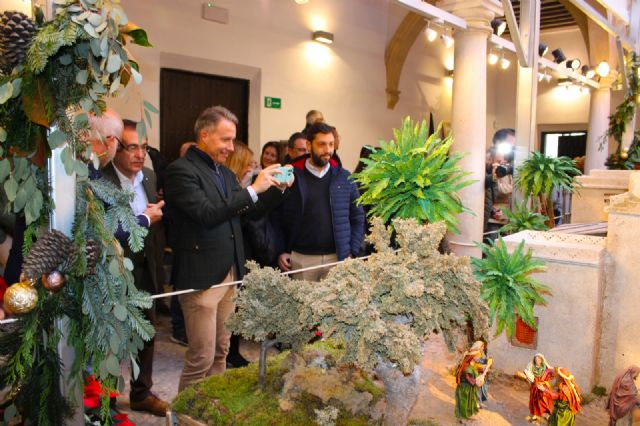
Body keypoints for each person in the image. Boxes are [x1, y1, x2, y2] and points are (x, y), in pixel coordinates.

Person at [164, 106, 291, 391]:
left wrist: (278, 188)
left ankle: (212, 411)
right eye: (225, 140)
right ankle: (186, 418)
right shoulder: (180, 171)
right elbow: (208, 214)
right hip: (201, 278)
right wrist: (253, 189)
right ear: (204, 135)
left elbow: (246, 210)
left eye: (232, 140)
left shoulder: (223, 172)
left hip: (229, 273)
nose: (230, 147)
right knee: (201, 357)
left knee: (221, 353)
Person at [102, 119, 168, 416]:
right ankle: (106, 400)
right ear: (114, 147)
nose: (140, 154)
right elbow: (107, 229)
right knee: (111, 338)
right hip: (112, 271)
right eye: (132, 147)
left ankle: (142, 392)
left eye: (144, 147)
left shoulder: (150, 177)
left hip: (145, 268)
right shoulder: (100, 179)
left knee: (147, 333)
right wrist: (143, 218)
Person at [276, 122, 364, 281]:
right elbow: (276, 216)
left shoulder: (345, 177)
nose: (328, 150)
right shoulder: (290, 175)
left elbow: (358, 217)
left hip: (338, 260)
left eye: (331, 144)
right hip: (301, 259)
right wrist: (281, 249)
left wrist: (352, 251)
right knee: (303, 306)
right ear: (309, 145)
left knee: (335, 307)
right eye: (322, 144)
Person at [520, 353, 555, 422]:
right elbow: (528, 374)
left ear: (542, 360)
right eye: (536, 359)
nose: (537, 360)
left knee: (545, 401)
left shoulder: (546, 367)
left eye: (539, 359)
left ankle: (546, 414)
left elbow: (552, 373)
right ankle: (534, 414)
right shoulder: (531, 366)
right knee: (535, 401)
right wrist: (527, 376)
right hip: (535, 387)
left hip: (544, 387)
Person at [455, 349, 484, 419]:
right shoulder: (467, 368)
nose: (479, 358)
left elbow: (476, 371)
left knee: (470, 401)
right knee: (465, 403)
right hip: (465, 389)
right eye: (478, 356)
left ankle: (468, 414)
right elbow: (471, 380)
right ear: (472, 357)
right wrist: (479, 380)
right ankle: (463, 418)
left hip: (469, 388)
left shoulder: (472, 365)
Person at [468, 340, 492, 406]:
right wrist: (485, 364)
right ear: (479, 347)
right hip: (474, 373)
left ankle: (477, 401)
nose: (483, 348)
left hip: (477, 372)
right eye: (482, 347)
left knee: (481, 388)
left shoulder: (479, 353)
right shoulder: (475, 353)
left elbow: (480, 361)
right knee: (477, 388)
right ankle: (475, 402)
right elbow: (477, 362)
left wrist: (487, 362)